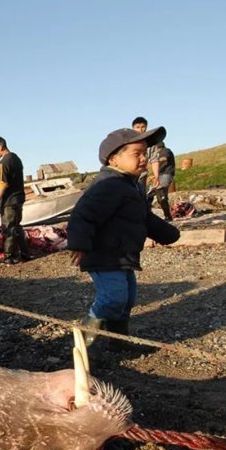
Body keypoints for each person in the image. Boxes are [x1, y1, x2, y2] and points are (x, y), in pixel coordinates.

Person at [67, 126, 179, 352]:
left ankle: (119, 343)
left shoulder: (131, 186)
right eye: (136, 154)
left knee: (126, 299)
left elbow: (144, 217)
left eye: (144, 154)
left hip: (123, 254)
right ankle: (81, 342)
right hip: (104, 254)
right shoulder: (108, 184)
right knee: (113, 297)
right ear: (114, 159)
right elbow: (83, 214)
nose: (143, 159)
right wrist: (79, 244)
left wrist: (169, 234)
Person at [0, 137, 29, 264]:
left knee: (9, 228)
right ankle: (24, 253)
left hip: (9, 201)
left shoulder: (3, 163)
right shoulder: (16, 158)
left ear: (0, 147)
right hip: (19, 198)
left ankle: (9, 256)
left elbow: (2, 184)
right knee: (17, 226)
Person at [131, 116, 161, 194]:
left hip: (142, 175)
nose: (140, 130)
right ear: (133, 128)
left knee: (141, 197)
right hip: (129, 175)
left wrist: (156, 176)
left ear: (146, 127)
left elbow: (154, 160)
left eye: (143, 127)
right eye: (137, 127)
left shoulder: (151, 143)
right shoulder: (128, 142)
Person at [147, 141, 175, 220]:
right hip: (162, 175)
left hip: (165, 175)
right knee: (150, 194)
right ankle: (148, 213)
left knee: (160, 194)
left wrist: (154, 161)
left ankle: (167, 216)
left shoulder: (165, 151)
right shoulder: (161, 151)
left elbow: (164, 158)